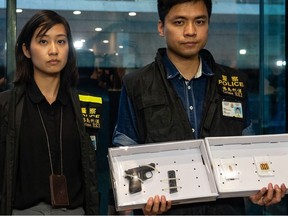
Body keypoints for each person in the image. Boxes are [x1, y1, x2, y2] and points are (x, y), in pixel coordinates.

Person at [112, 0, 286, 215]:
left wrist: (258, 187)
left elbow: (245, 147)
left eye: (199, 21)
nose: (190, 31)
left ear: (208, 25)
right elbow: (125, 151)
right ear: (161, 27)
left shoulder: (233, 82)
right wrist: (137, 202)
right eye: (179, 22)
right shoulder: (136, 83)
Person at [0, 10, 99, 215]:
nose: (54, 50)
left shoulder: (84, 105)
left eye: (61, 42)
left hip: (75, 211)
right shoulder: (6, 105)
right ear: (27, 50)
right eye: (43, 42)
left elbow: (95, 170)